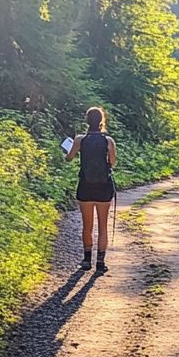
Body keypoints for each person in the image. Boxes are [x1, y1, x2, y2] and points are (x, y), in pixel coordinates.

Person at [65, 106, 117, 273]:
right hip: (104, 186)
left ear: (87, 120)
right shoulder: (108, 141)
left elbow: (69, 158)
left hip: (85, 185)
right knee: (103, 226)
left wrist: (68, 149)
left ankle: (87, 260)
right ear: (101, 121)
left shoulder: (80, 139)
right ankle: (100, 263)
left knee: (87, 226)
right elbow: (113, 162)